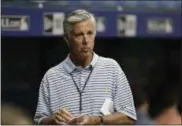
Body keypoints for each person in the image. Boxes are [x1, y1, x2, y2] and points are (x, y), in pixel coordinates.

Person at [34, 9, 136, 125]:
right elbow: (40, 121)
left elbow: (129, 117)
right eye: (79, 35)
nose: (86, 41)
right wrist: (53, 119)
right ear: (67, 39)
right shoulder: (51, 77)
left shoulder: (112, 69)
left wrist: (98, 119)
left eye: (90, 33)